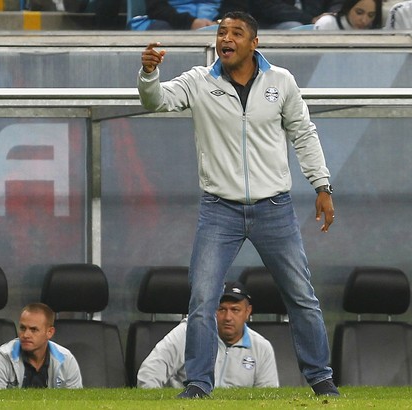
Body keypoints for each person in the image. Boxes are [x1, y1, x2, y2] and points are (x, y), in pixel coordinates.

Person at [138, 11, 339, 399]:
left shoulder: (281, 82)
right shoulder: (199, 81)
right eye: (221, 32)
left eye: (235, 33)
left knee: (301, 295)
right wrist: (148, 75)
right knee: (202, 299)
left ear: (254, 43)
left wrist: (322, 185)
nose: (225, 38)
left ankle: (321, 380)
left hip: (274, 208)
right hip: (219, 209)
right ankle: (198, 384)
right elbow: (156, 102)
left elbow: (304, 133)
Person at [137, 282, 279, 388]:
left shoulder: (262, 348)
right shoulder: (190, 333)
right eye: (221, 309)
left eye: (235, 310)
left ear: (248, 312)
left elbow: (267, 397)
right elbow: (149, 373)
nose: (228, 317)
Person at [0, 302, 83, 389]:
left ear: (50, 332)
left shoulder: (66, 360)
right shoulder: (2, 358)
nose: (25, 335)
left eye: (33, 330)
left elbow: (75, 404)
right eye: (22, 328)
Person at [249, 0, 344, 29]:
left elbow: (337, 3)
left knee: (331, 23)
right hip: (270, 25)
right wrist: (310, 19)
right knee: (294, 26)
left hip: (315, 24)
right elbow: (269, 7)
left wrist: (332, 14)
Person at [314, 0, 383, 29]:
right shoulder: (327, 23)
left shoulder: (374, 30)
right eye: (359, 12)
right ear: (348, 8)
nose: (364, 20)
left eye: (370, 15)